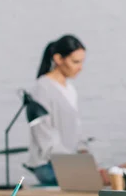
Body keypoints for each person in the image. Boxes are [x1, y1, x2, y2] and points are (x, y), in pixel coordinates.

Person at [26, 35, 88, 185]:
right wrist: (76, 166)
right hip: (50, 166)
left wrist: (84, 155)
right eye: (75, 62)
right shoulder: (42, 88)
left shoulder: (70, 90)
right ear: (59, 59)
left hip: (70, 164)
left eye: (81, 62)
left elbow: (75, 129)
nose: (80, 67)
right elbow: (45, 138)